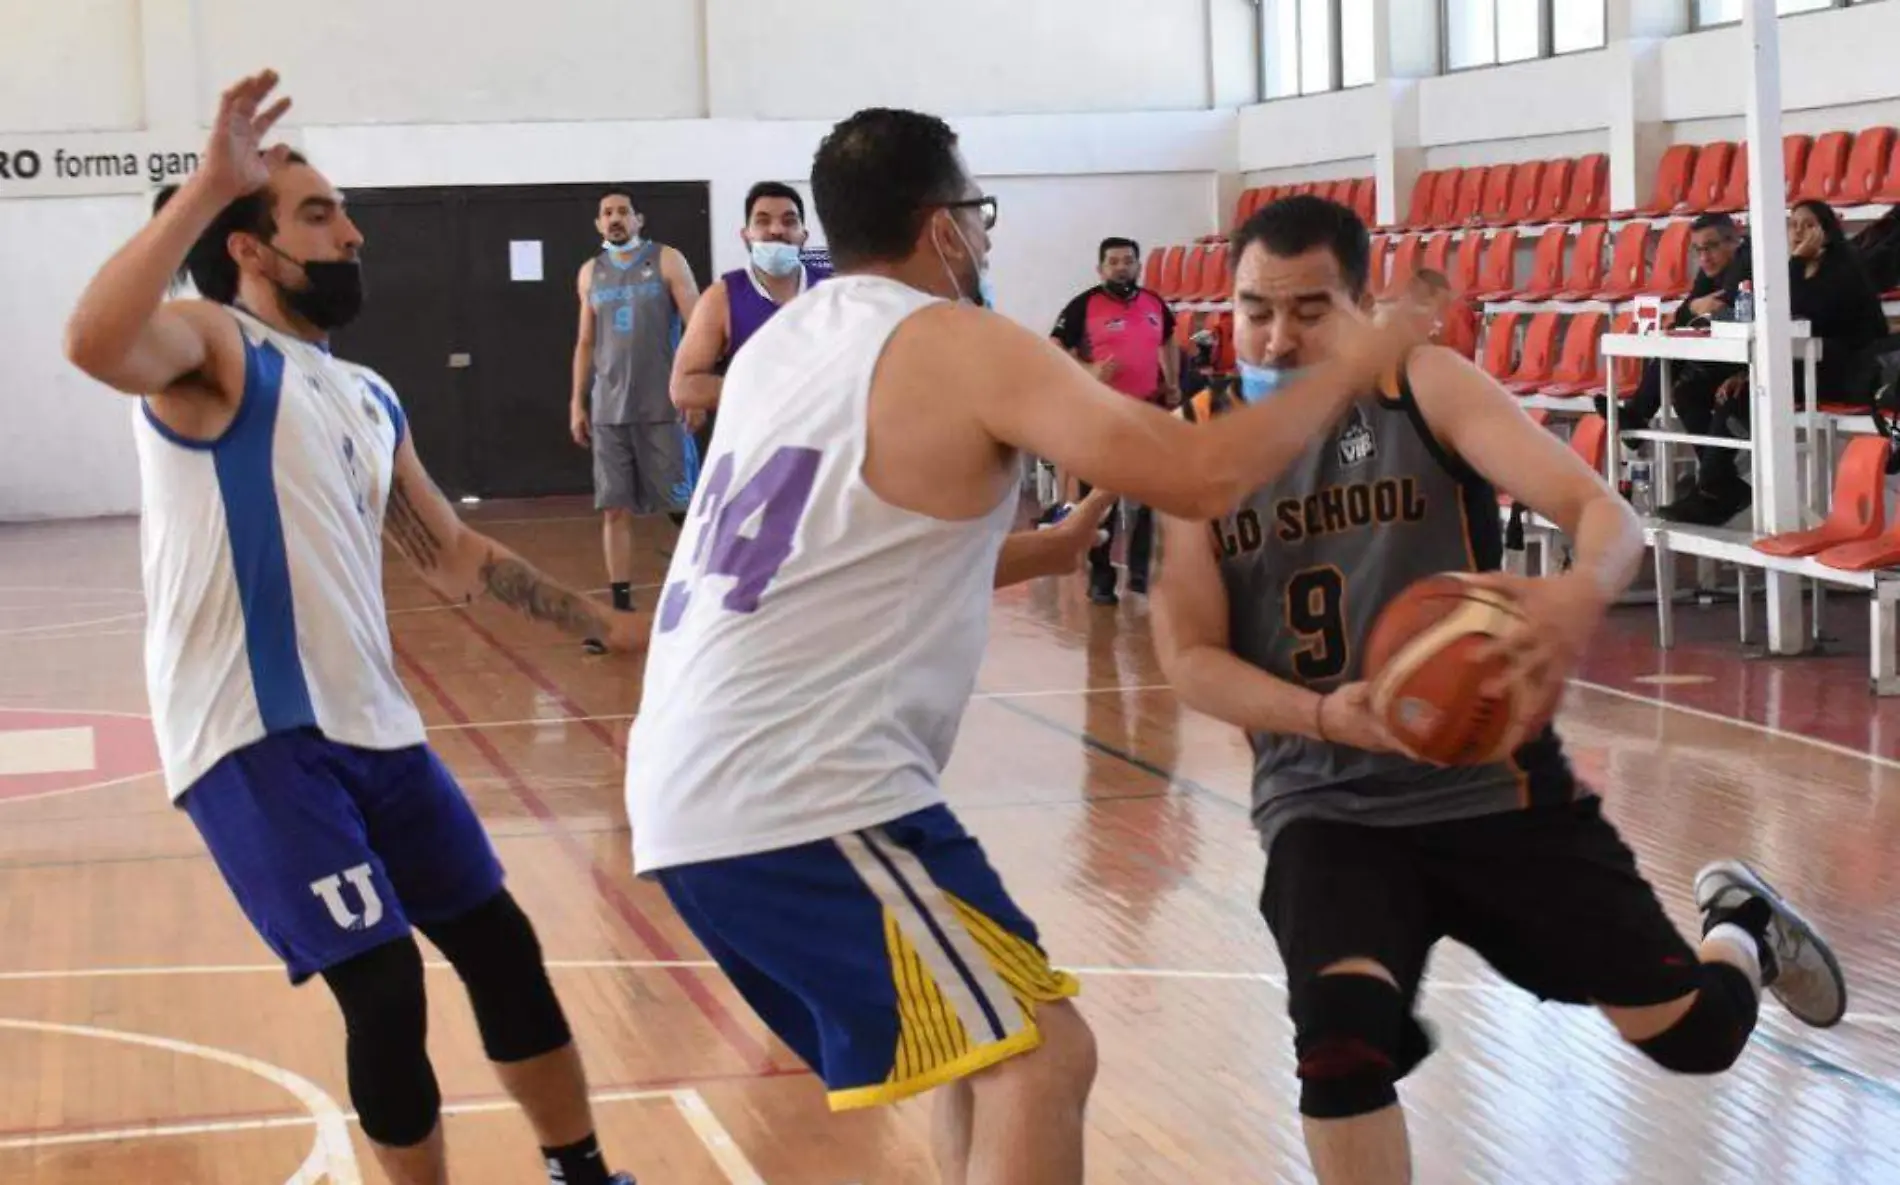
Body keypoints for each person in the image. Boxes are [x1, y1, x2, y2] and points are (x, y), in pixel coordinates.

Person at [622, 109, 1424, 1185]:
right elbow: (1200, 477)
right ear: (939, 225)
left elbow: (827, 557)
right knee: (1043, 1063)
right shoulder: (954, 338)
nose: (986, 239)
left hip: (717, 780)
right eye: (977, 215)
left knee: (982, 1051)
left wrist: (1038, 554)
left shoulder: (787, 346)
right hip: (797, 793)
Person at [1150, 194, 1847, 1185]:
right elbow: (1186, 656)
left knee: (1694, 1038)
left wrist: (1576, 594)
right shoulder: (1198, 445)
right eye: (1256, 309)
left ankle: (1738, 922)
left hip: (1494, 788)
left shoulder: (1421, 386)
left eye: (1310, 310)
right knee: (1338, 1048)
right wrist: (1320, 715)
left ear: (1360, 306)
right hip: (1325, 804)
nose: (1278, 334)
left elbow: (1602, 514)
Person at [62, 72, 646, 1185]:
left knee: (502, 949)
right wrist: (203, 188)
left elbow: (457, 554)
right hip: (255, 737)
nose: (353, 231)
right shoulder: (208, 348)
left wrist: (610, 630)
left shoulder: (366, 394)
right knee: (382, 985)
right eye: (320, 213)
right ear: (251, 248)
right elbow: (93, 343)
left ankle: (582, 1173)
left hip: (378, 731)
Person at [568, 184, 701, 633]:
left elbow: (698, 325)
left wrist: (695, 387)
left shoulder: (667, 260)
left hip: (662, 404)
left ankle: (708, 588)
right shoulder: (590, 272)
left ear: (638, 219)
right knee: (614, 508)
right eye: (607, 213)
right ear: (598, 224)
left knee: (683, 506)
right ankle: (621, 605)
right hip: (609, 408)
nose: (615, 218)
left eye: (623, 211)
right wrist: (576, 401)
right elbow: (585, 341)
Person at [1048, 237, 1180, 603]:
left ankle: (1139, 573)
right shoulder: (1083, 305)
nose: (1121, 267)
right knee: (1100, 501)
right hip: (1102, 415)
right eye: (1113, 261)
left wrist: (1171, 382)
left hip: (1147, 413)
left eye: (1128, 260)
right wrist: (1089, 370)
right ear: (1101, 268)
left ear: (1138, 265)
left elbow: (1168, 340)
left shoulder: (1154, 303)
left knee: (1152, 495)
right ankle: (1101, 576)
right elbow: (1055, 347)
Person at [670, 180, 829, 422]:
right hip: (753, 447)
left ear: (803, 235)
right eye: (763, 221)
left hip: (827, 441)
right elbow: (683, 387)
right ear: (746, 235)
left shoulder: (832, 291)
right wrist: (775, 390)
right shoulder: (721, 297)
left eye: (789, 221)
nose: (776, 230)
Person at [1638, 214, 1752, 524]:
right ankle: (1718, 485)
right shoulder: (1709, 273)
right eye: (1698, 250)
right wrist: (1693, 307)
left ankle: (1714, 488)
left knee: (1719, 394)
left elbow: (1726, 308)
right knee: (1685, 390)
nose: (1704, 257)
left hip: (1766, 365)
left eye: (1711, 247)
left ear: (1735, 240)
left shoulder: (1749, 261)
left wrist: (1695, 310)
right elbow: (1684, 315)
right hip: (1730, 361)